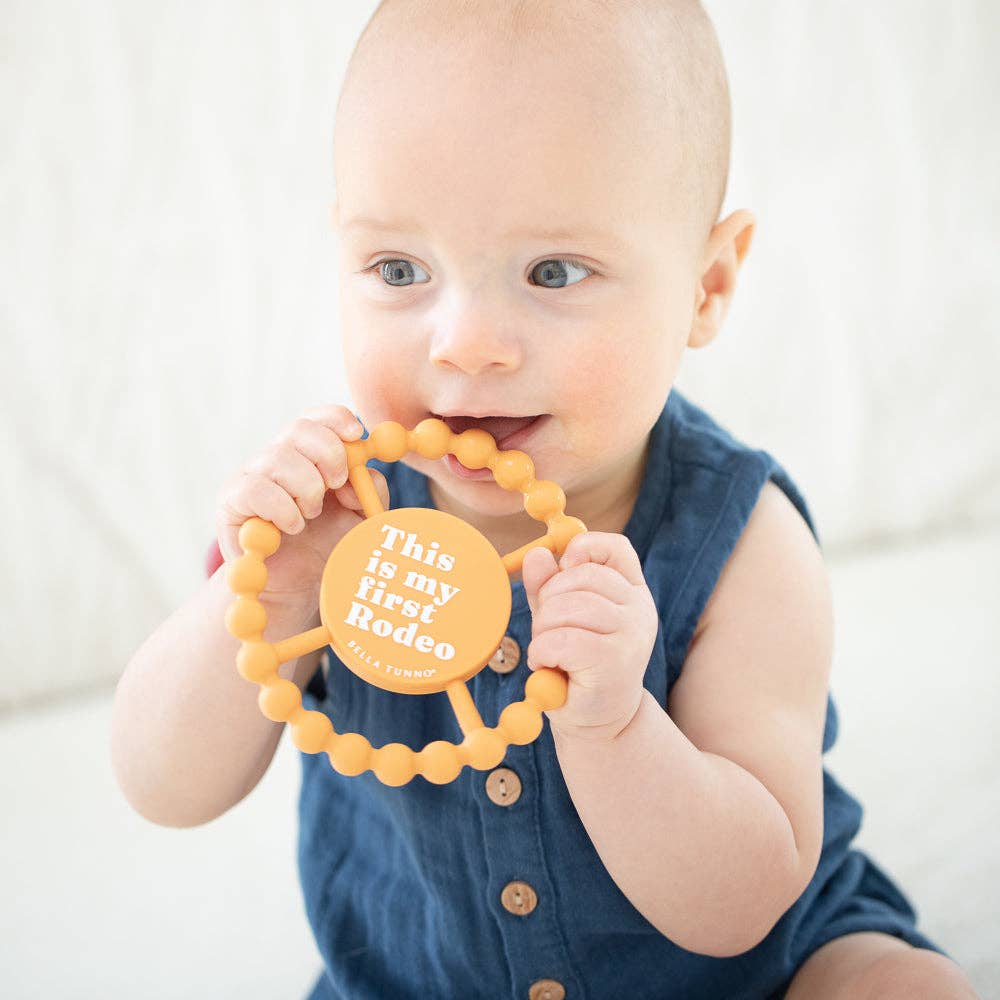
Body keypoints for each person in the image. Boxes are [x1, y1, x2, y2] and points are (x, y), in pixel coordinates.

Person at [111, 1, 982, 997]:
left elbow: (746, 895)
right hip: (419, 977)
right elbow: (159, 784)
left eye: (552, 270)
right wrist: (254, 606)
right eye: (400, 269)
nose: (465, 340)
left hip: (745, 973)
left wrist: (617, 729)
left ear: (704, 285)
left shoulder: (743, 543)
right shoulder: (330, 517)